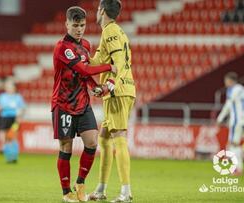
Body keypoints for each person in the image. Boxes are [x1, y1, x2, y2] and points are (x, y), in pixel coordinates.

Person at [52, 6, 117, 202]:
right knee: (66, 149)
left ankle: (80, 183)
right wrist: (109, 67)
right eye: (75, 25)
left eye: (82, 25)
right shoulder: (62, 47)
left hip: (83, 103)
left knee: (92, 142)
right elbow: (84, 69)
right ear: (66, 24)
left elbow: (85, 75)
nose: (79, 29)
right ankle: (66, 193)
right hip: (63, 104)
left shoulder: (86, 45)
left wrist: (95, 87)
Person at [89, 0, 136, 202]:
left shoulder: (111, 31)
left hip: (118, 91)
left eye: (97, 9)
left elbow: (118, 63)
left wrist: (110, 84)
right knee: (105, 138)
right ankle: (101, 189)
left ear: (101, 10)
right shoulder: (112, 31)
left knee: (119, 137)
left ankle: (126, 191)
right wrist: (78, 55)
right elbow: (97, 61)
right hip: (118, 90)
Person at [217, 72, 244, 176]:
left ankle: (237, 169)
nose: (225, 83)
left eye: (226, 81)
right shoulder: (243, 89)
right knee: (234, 144)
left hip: (236, 121)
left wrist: (220, 118)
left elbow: (228, 105)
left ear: (230, 80)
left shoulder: (232, 90)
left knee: (233, 144)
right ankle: (238, 168)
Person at [0, 78, 26, 163]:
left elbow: (23, 108)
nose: (9, 88)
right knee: (4, 138)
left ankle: (14, 156)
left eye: (11, 87)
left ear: (14, 88)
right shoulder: (1, 97)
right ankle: (8, 157)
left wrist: (19, 116)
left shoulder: (18, 97)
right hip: (4, 119)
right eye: (8, 87)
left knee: (13, 137)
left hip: (14, 119)